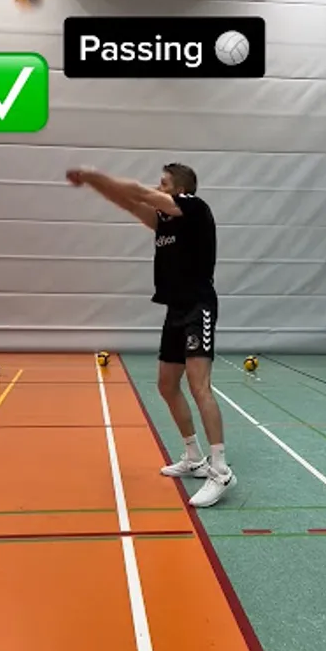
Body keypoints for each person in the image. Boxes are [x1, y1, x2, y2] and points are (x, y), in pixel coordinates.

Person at [66, 162, 236, 508]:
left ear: (180, 189)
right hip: (176, 310)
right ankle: (194, 457)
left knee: (199, 386)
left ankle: (221, 471)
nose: (158, 188)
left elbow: (139, 192)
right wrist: (93, 184)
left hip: (199, 307)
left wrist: (94, 174)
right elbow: (128, 202)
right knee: (166, 385)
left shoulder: (194, 207)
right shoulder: (164, 221)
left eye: (164, 184)